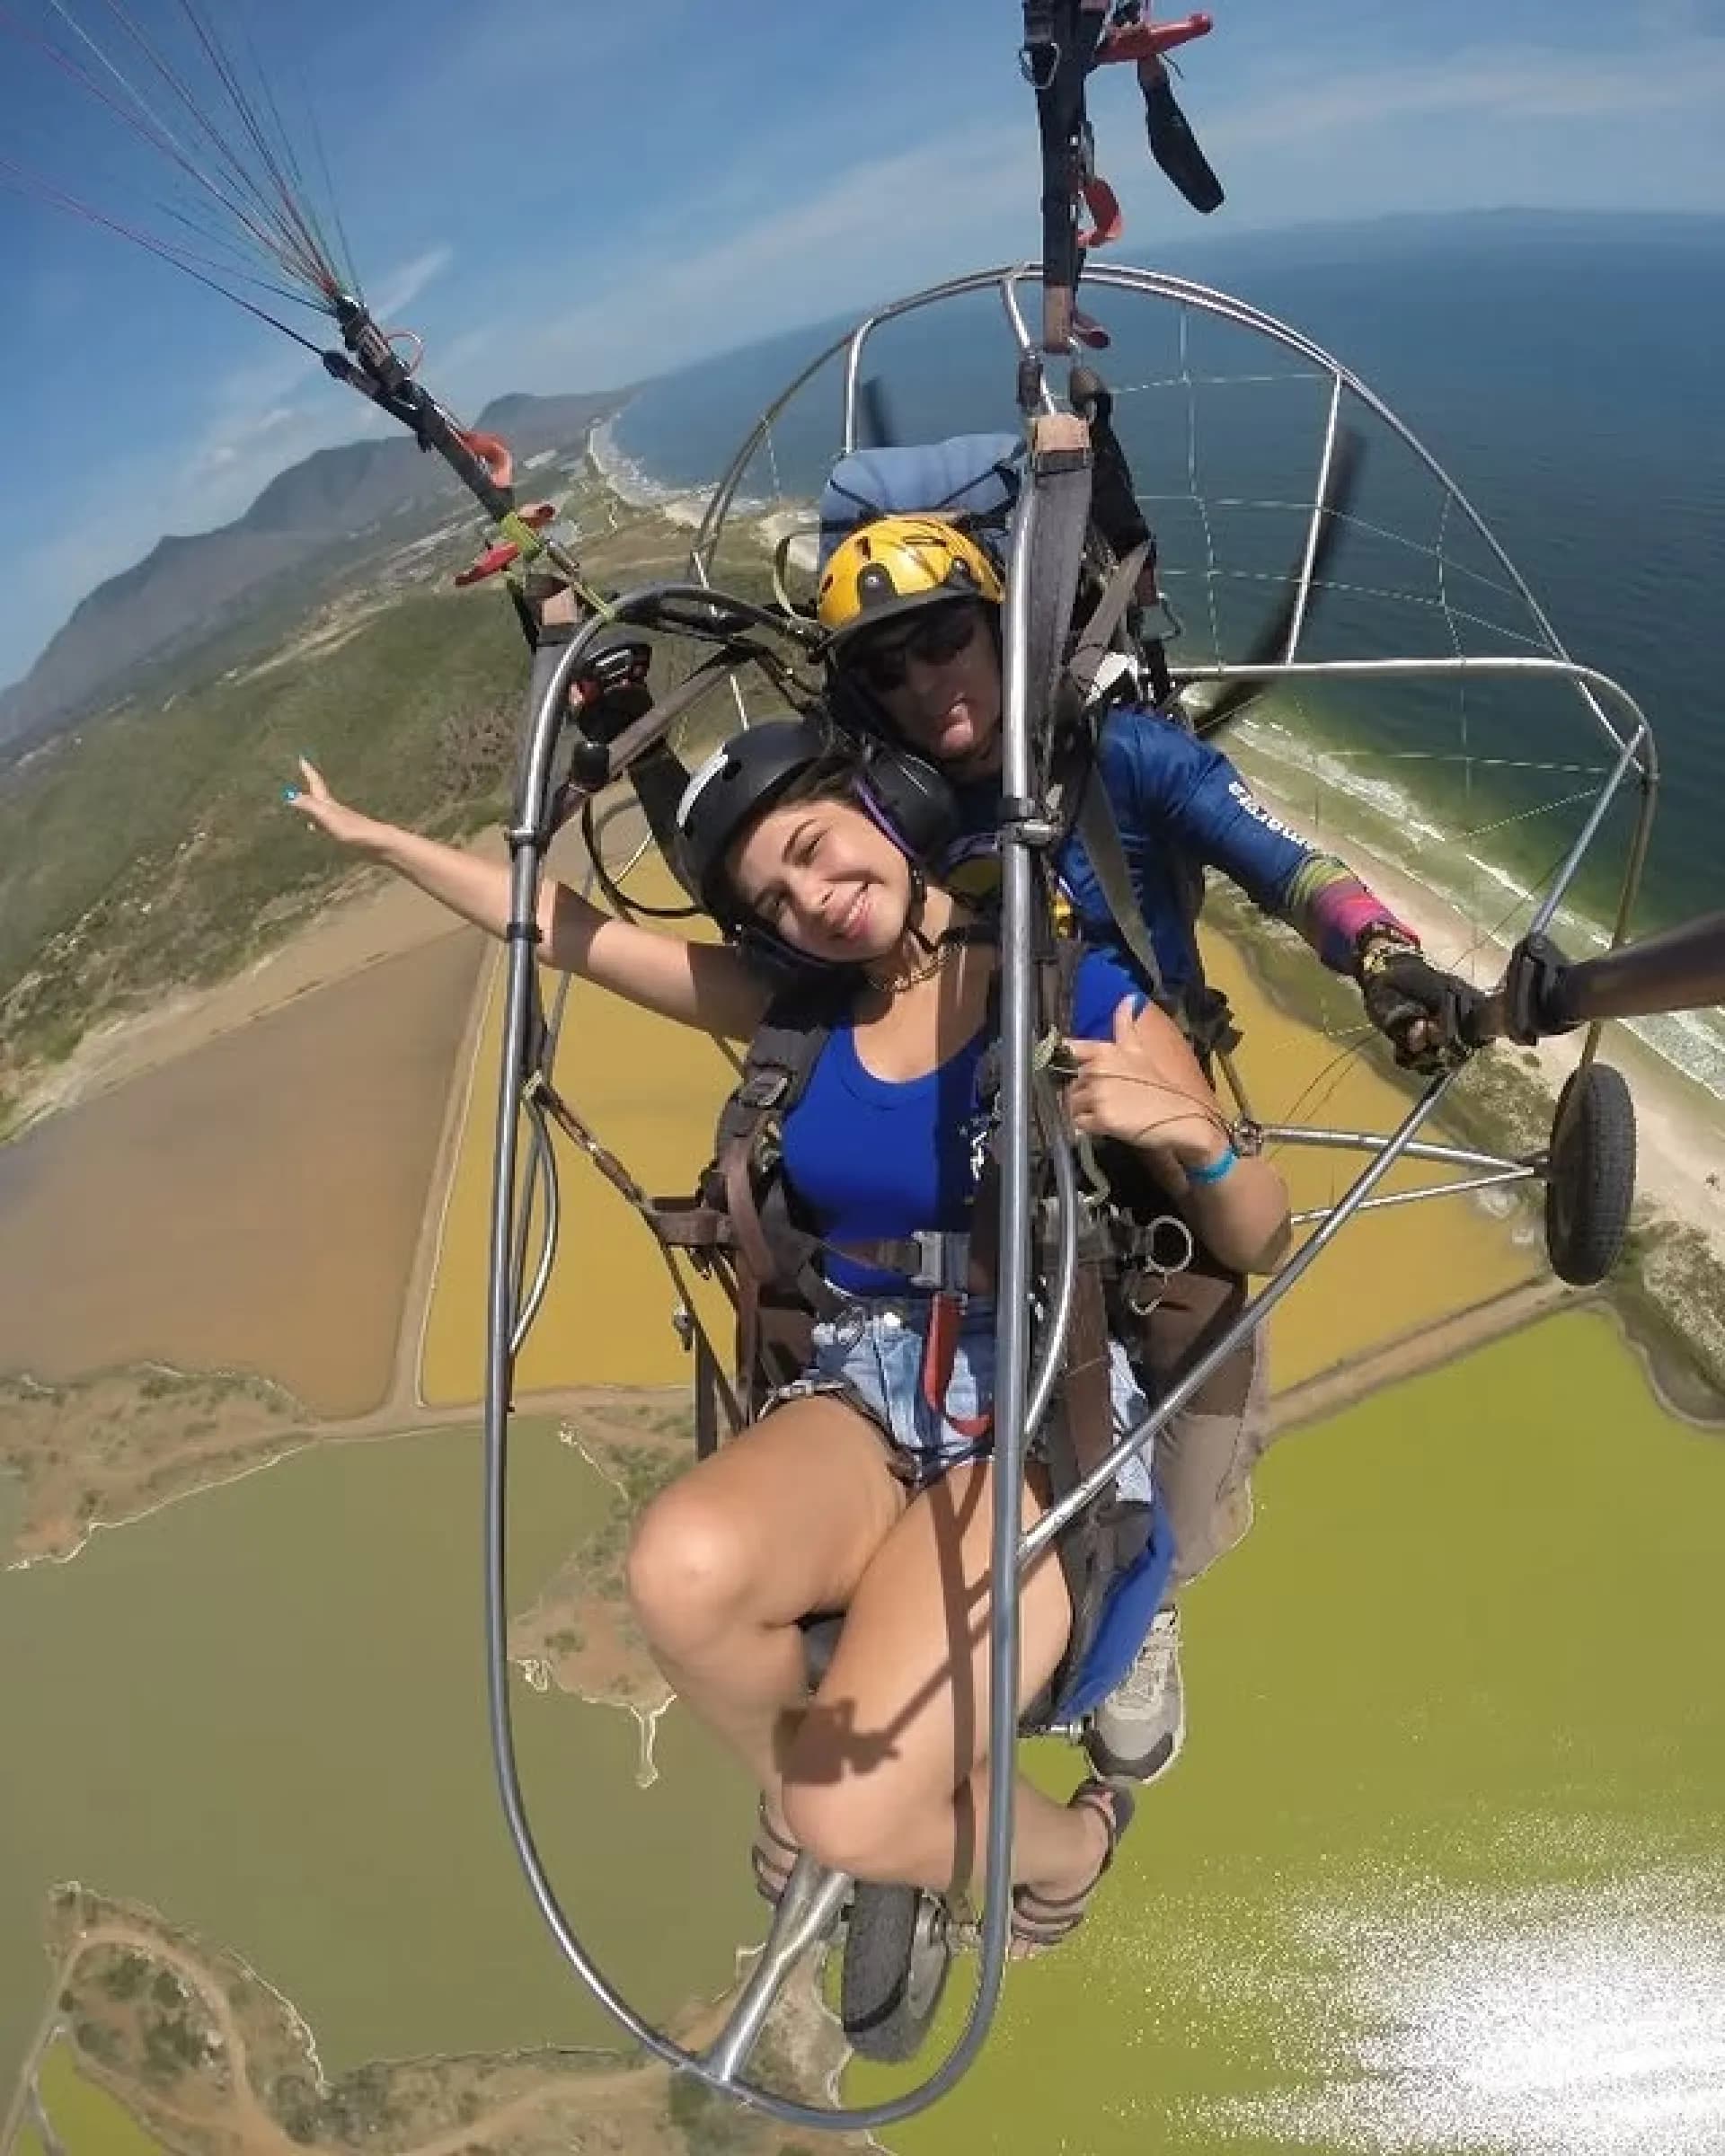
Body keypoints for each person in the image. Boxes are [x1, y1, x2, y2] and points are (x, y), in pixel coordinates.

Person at [286, 718, 1289, 1949]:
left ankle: (1068, 1850)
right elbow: (560, 927)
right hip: (861, 1382)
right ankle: (821, 1795)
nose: (815, 900)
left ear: (888, 806)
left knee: (848, 1808)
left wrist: (1192, 1138)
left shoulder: (1064, 988)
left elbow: (1257, 1233)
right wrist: (381, 843)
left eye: (814, 849)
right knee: (680, 1570)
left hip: (1029, 1410)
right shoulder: (796, 1015)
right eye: (776, 899)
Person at [813, 511, 1481, 1784]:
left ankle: (1152, 1593)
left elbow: (1284, 863)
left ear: (1000, 629)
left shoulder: (1121, 759)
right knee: (969, 1420)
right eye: (885, 669)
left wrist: (1382, 956)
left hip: (1150, 1125)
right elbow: (757, 885)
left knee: (1195, 1452)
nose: (924, 682)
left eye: (944, 639)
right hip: (980, 1141)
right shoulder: (883, 817)